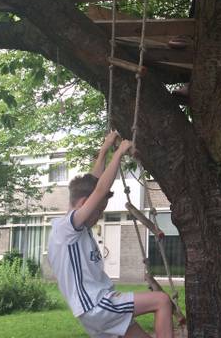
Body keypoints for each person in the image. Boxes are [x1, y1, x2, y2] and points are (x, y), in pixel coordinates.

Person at [47, 132, 173, 338]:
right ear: (83, 205)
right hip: (97, 305)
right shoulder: (66, 229)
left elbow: (95, 184)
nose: (98, 216)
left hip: (94, 310)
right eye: (97, 211)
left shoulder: (71, 231)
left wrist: (105, 149)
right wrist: (119, 154)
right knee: (162, 301)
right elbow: (98, 191)